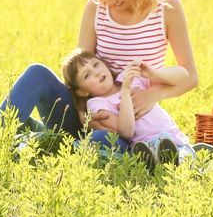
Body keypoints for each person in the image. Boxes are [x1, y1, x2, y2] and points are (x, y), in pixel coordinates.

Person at [0, 0, 198, 154]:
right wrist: (84, 114)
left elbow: (191, 76)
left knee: (101, 139)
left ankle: (47, 141)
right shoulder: (95, 9)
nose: (109, 2)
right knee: (37, 73)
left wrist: (153, 95)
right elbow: (79, 71)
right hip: (88, 113)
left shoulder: (168, 8)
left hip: (129, 127)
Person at [61, 49, 195, 165]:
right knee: (155, 150)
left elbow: (184, 76)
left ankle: (178, 161)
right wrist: (125, 91)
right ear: (82, 91)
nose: (96, 72)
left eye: (96, 64)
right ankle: (158, 162)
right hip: (147, 146)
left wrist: (154, 74)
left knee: (183, 157)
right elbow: (126, 132)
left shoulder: (128, 77)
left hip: (176, 140)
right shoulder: (97, 104)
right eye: (87, 75)